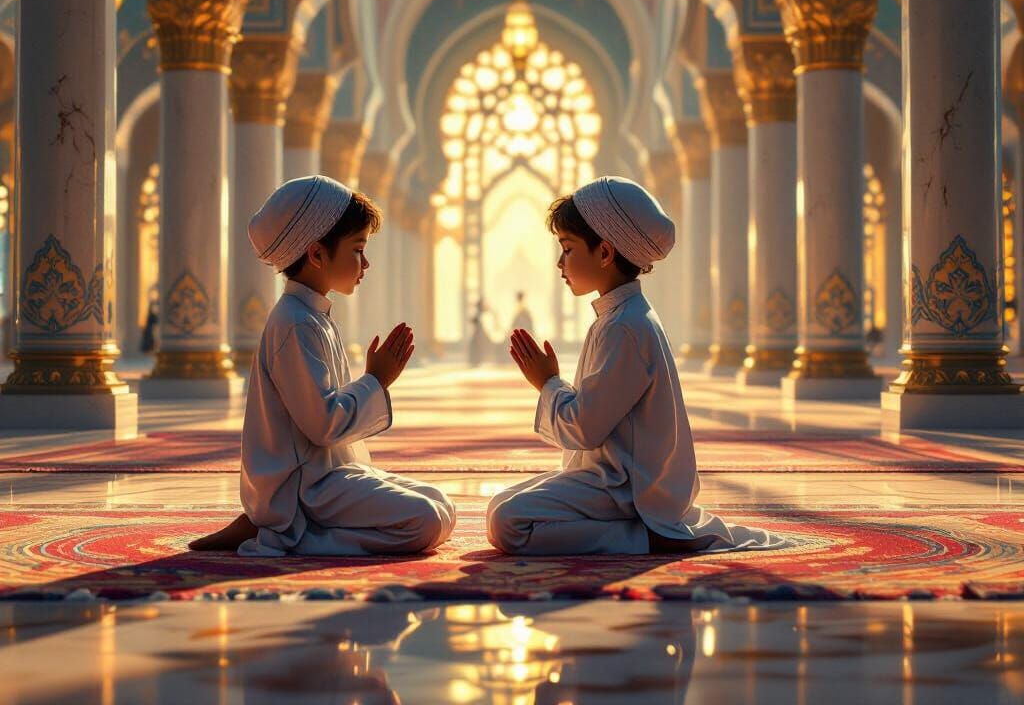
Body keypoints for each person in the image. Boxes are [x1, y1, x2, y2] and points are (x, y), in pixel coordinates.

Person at [488, 175, 784, 556]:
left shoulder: (626, 328)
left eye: (568, 248)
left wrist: (547, 382)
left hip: (629, 488)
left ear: (605, 254)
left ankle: (645, 538)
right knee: (500, 505)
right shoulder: (622, 317)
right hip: (612, 478)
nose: (560, 263)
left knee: (509, 523)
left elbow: (584, 429)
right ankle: (638, 530)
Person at [189, 175, 456, 555]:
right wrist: (377, 379)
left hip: (326, 475)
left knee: (441, 504)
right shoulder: (294, 323)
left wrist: (374, 382)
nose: (366, 263)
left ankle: (290, 533)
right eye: (357, 250)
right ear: (316, 255)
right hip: (302, 490)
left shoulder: (312, 315)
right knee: (425, 522)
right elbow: (324, 425)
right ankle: (287, 536)